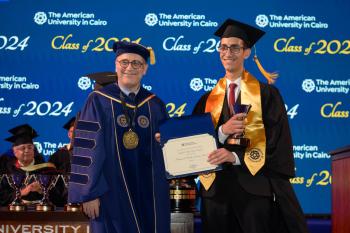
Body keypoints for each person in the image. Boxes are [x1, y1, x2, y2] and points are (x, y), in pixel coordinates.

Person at [192, 18, 309, 233]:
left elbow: (278, 141)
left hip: (254, 189)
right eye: (223, 47)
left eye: (235, 47)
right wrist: (221, 132)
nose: (228, 53)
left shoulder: (267, 95)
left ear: (246, 52)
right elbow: (195, 143)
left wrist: (235, 157)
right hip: (214, 193)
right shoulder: (206, 100)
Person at [68, 41, 170, 233]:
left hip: (150, 194)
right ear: (116, 65)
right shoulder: (97, 100)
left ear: (145, 69)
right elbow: (86, 150)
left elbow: (168, 149)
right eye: (124, 62)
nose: (129, 67)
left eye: (136, 63)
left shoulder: (155, 105)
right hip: (110, 193)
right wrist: (89, 194)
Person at [0, 124, 62, 206]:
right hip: (14, 213)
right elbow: (1, 197)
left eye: (30, 147)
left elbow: (61, 197)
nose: (27, 151)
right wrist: (21, 193)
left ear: (34, 149)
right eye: (23, 148)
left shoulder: (47, 169)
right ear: (15, 152)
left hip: (42, 213)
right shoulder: (6, 170)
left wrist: (42, 190)